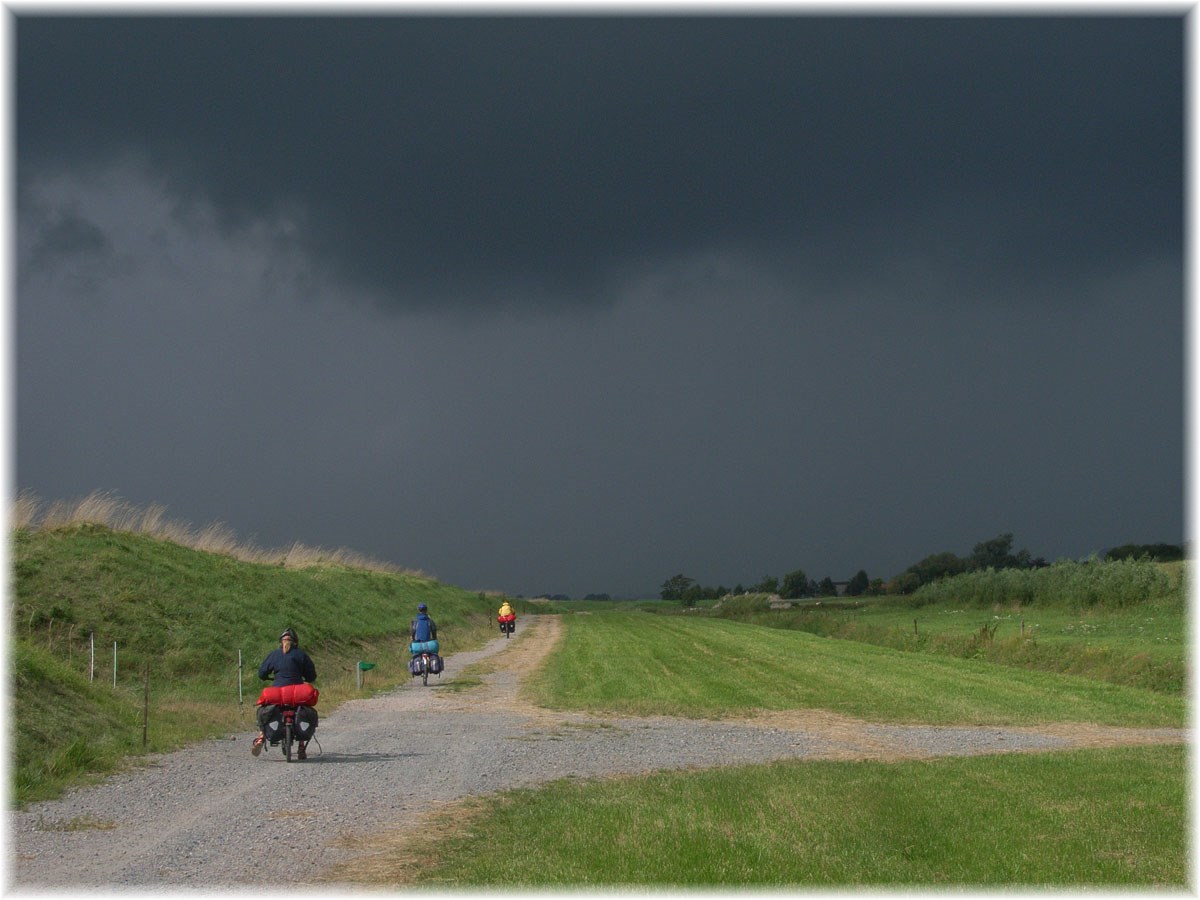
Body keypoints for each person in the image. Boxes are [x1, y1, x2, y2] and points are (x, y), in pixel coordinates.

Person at [252, 627, 317, 759]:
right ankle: (301, 747)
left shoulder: (274, 654)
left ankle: (261, 736)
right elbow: (311, 676)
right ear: (295, 642)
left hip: (277, 692)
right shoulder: (301, 654)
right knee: (302, 710)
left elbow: (261, 673)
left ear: (280, 641)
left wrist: (267, 676)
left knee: (262, 711)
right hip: (297, 693)